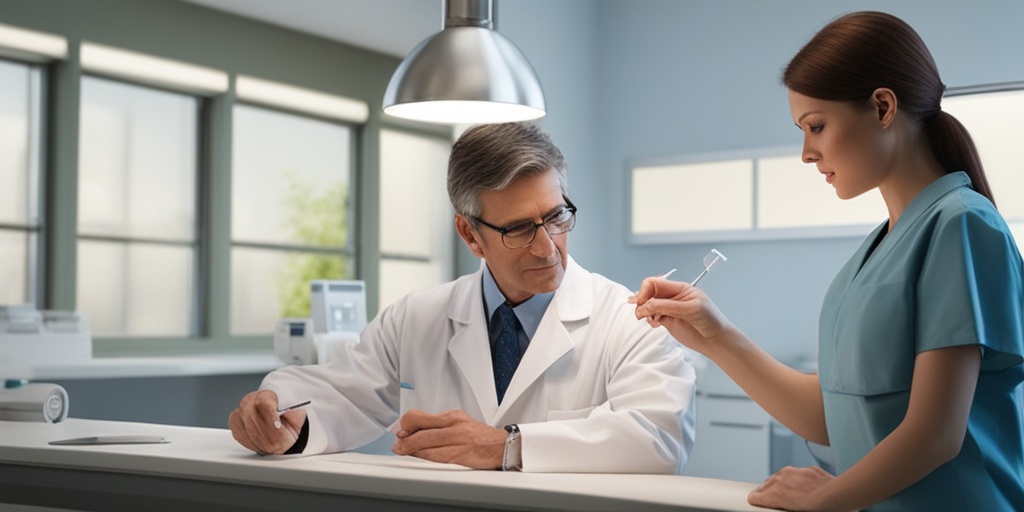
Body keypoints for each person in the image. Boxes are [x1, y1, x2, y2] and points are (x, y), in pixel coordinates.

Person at [632, 11, 1023, 512]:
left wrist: (826, 498)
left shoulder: (963, 225)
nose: (806, 154)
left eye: (816, 126)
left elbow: (936, 435)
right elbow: (829, 416)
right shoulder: (882, 245)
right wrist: (714, 334)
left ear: (883, 107)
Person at [229, 121, 696, 474]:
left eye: (556, 217)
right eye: (517, 229)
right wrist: (279, 414)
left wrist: (508, 446)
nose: (546, 245)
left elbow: (659, 439)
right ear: (470, 234)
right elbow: (341, 394)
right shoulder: (417, 317)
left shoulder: (630, 319)